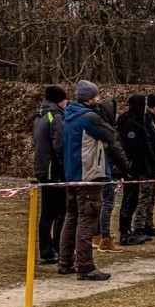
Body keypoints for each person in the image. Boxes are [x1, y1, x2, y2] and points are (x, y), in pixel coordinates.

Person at [59, 80, 129, 281]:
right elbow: (112, 134)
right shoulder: (88, 117)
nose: (99, 99)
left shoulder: (69, 116)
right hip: (89, 175)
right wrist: (103, 140)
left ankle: (65, 261)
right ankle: (85, 266)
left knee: (71, 217)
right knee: (87, 221)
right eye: (97, 96)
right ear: (90, 98)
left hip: (72, 175)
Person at [33, 85, 68, 264]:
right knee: (61, 211)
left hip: (42, 169)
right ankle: (57, 248)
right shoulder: (55, 116)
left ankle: (46, 251)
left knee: (47, 213)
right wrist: (65, 169)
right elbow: (59, 145)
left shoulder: (40, 116)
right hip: (53, 170)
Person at [115, 94, 153, 246]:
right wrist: (131, 165)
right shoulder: (130, 123)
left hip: (135, 166)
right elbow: (131, 147)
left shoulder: (135, 120)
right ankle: (124, 233)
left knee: (133, 199)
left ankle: (128, 230)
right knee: (129, 199)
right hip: (131, 167)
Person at [94, 98, 127, 253]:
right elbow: (116, 149)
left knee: (102, 203)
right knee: (107, 204)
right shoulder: (107, 129)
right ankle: (104, 237)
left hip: (104, 169)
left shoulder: (99, 126)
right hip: (108, 170)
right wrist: (126, 167)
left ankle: (98, 235)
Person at [134, 94, 155, 238]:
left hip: (154, 166)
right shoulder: (146, 121)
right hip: (147, 167)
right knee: (145, 197)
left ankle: (148, 223)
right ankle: (139, 225)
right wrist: (153, 163)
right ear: (154, 107)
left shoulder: (153, 122)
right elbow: (149, 145)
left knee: (153, 195)